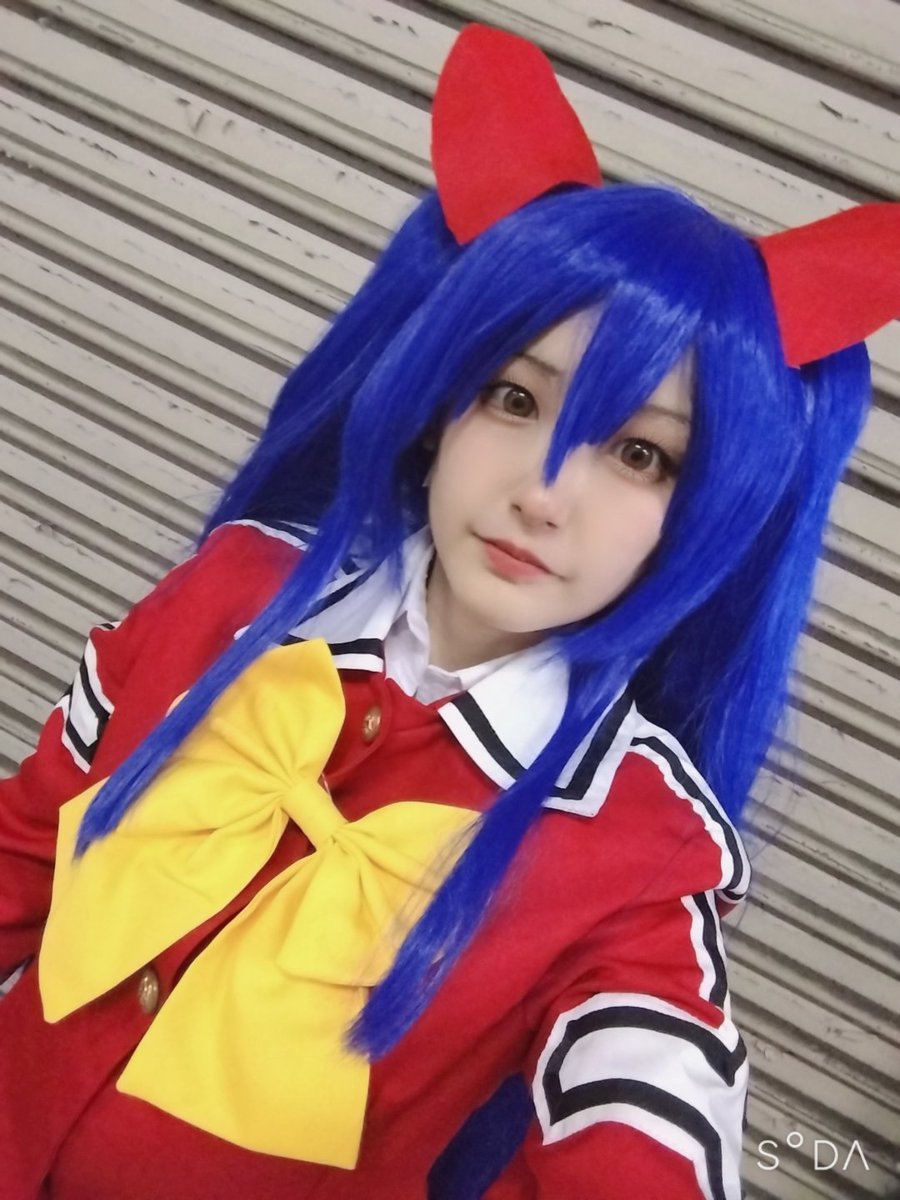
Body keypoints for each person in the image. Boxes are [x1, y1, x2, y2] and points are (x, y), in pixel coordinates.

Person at [0, 21, 896, 1200]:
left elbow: (646, 1108)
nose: (543, 492)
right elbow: (27, 846)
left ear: (707, 515)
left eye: (641, 454)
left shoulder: (638, 848)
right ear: (439, 402)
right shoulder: (229, 594)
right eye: (514, 398)